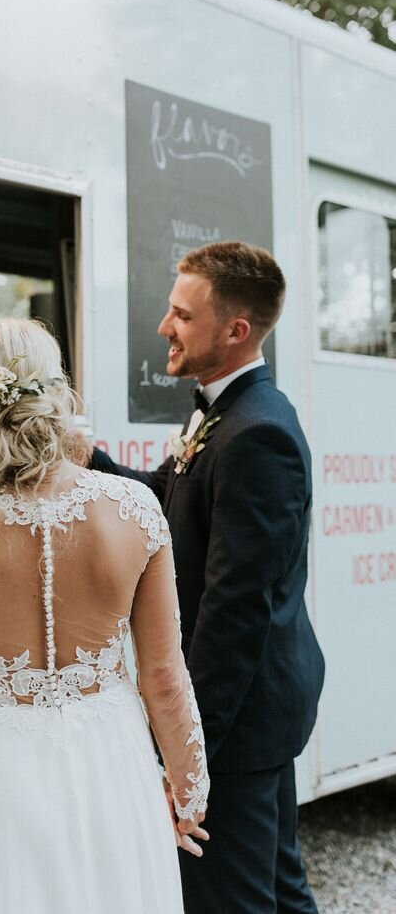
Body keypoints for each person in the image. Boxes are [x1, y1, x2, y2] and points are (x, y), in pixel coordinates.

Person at [0, 317, 209, 914]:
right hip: (109, 755)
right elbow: (165, 678)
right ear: (53, 396)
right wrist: (187, 786)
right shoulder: (133, 506)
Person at [91, 241, 325, 914]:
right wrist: (92, 458)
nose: (164, 326)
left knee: (232, 898)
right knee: (279, 890)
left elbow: (233, 611)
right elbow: (171, 494)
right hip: (258, 707)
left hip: (240, 717)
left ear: (234, 330)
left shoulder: (257, 435)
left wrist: (184, 753)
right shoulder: (221, 412)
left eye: (180, 315)